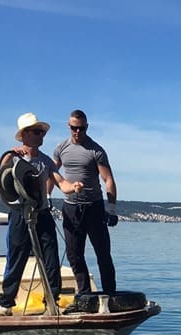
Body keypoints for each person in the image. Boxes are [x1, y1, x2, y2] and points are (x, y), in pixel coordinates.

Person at [0, 112, 83, 316]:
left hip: (42, 213)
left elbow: (61, 183)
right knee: (16, 257)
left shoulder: (46, 160)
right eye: (37, 132)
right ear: (24, 134)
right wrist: (8, 155)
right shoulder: (13, 157)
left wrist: (73, 187)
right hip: (20, 213)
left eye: (42, 132)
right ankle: (6, 303)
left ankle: (52, 301)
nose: (41, 135)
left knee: (51, 258)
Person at [53, 109, 118, 295]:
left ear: (87, 127)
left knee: (103, 253)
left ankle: (110, 294)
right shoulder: (61, 148)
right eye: (74, 128)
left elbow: (108, 179)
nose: (78, 132)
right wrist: (47, 196)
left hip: (94, 207)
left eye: (81, 128)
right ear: (69, 126)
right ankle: (85, 294)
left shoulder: (96, 150)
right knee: (74, 255)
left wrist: (111, 209)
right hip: (71, 208)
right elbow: (51, 172)